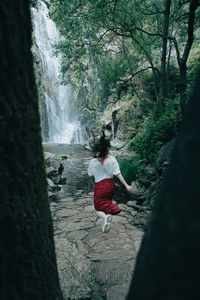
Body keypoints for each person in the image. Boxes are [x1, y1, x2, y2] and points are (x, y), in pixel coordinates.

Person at [88, 132, 132, 233]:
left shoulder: (93, 162)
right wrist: (127, 186)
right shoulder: (112, 159)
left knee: (97, 208)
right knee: (107, 203)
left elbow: (90, 175)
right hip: (110, 186)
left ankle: (105, 218)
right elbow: (118, 174)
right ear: (108, 148)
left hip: (100, 186)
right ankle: (106, 220)